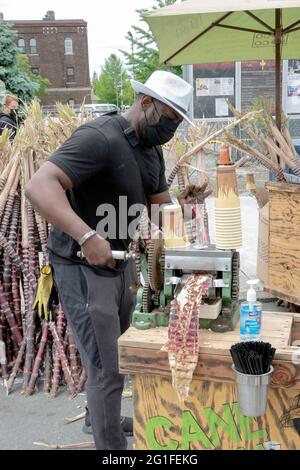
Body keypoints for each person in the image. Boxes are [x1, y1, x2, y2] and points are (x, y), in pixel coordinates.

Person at [25, 70, 196, 450]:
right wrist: (86, 236)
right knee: (106, 368)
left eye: (177, 124)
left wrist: (184, 213)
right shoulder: (99, 139)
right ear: (146, 102)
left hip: (119, 263)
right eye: (169, 119)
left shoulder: (151, 149)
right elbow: (39, 186)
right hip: (82, 268)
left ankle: (98, 416)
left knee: (118, 356)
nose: (171, 130)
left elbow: (159, 205)